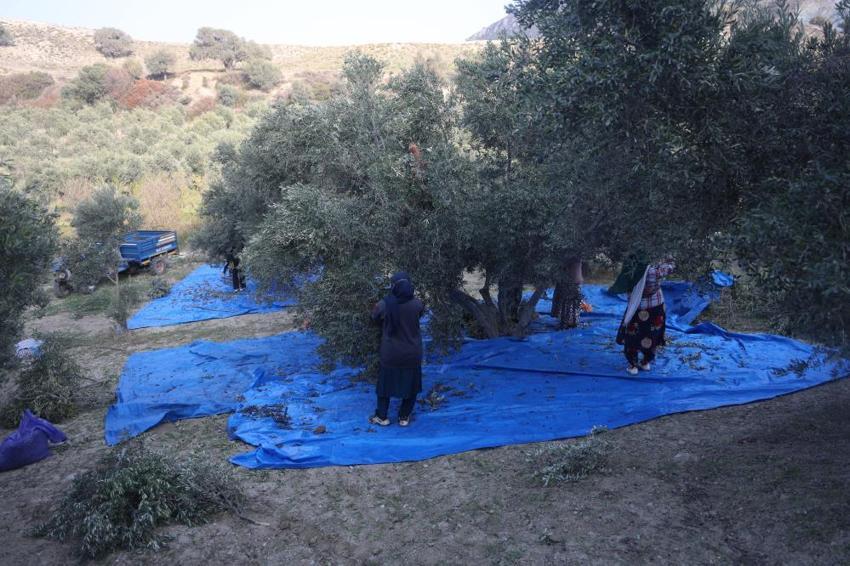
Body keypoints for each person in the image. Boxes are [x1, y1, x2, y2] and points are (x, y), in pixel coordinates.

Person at [369, 272, 424, 427]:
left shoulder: (384, 305)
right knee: (411, 386)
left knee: (385, 386)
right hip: (412, 352)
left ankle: (382, 417)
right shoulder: (418, 304)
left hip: (390, 353)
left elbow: (374, 318)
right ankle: (404, 417)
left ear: (394, 286)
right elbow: (418, 316)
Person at [615, 256, 675, 375]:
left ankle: (633, 365)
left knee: (632, 335)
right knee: (652, 335)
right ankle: (646, 362)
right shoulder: (654, 270)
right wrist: (670, 259)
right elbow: (670, 267)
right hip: (655, 306)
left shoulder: (632, 267)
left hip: (636, 307)